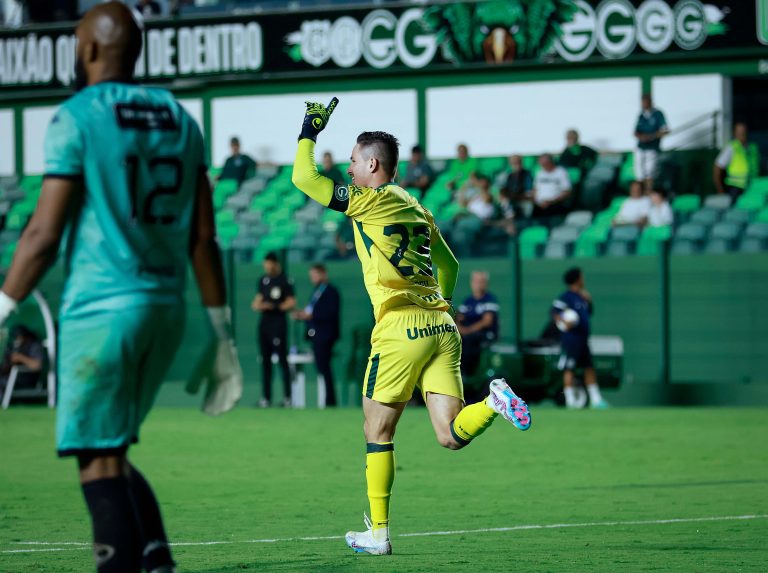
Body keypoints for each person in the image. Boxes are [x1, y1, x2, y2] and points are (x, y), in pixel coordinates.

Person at [0, 4, 242, 572]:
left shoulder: (77, 115)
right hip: (166, 309)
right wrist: (222, 335)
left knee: (97, 460)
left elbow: (42, 235)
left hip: (102, 313)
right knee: (112, 448)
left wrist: (3, 306)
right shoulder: (182, 118)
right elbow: (204, 240)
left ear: (87, 49)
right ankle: (158, 562)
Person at [292, 98, 531, 556]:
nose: (348, 169)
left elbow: (304, 178)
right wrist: (441, 305)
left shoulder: (367, 202)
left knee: (377, 431)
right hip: (442, 326)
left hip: (400, 326)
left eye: (354, 161)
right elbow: (450, 264)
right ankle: (494, 401)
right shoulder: (419, 208)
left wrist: (309, 131)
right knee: (450, 434)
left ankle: (379, 534)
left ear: (372, 164)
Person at [552, 268, 608, 410]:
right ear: (577, 279)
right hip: (572, 339)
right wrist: (564, 322)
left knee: (589, 367)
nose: (583, 279)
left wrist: (589, 301)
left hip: (583, 339)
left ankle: (596, 400)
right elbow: (555, 313)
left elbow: (588, 313)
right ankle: (570, 401)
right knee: (569, 368)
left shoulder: (582, 296)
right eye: (582, 277)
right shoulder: (565, 297)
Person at [292, 264, 341, 407]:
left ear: (323, 274)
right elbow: (311, 310)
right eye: (311, 276)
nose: (313, 278)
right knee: (321, 368)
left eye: (315, 275)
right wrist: (302, 314)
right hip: (316, 335)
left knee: (325, 368)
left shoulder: (331, 291)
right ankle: (328, 400)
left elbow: (329, 313)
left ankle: (330, 401)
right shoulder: (317, 291)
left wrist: (310, 315)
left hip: (325, 335)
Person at [251, 252, 295, 407]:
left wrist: (275, 306)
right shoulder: (263, 280)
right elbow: (256, 303)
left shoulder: (285, 280)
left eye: (269, 264)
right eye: (265, 264)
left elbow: (291, 302)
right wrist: (262, 305)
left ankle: (288, 398)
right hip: (265, 324)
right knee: (265, 361)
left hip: (278, 324)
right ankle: (266, 398)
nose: (267, 267)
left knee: (282, 360)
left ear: (275, 264)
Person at [456, 272, 499, 376]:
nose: (478, 284)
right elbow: (459, 318)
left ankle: (466, 372)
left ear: (486, 283)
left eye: (481, 281)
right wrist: (459, 328)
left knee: (468, 340)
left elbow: (487, 321)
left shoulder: (490, 300)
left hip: (484, 335)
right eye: (475, 281)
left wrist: (467, 331)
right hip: (467, 334)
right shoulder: (467, 301)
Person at [714, 122, 760, 200]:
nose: (741, 134)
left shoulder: (753, 148)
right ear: (734, 134)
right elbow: (717, 168)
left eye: (743, 132)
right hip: (735, 188)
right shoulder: (731, 147)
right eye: (739, 132)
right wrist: (720, 189)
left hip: (752, 188)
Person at [634, 93, 669, 190]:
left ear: (651, 102)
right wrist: (641, 137)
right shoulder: (641, 115)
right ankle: (641, 193)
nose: (644, 104)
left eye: (646, 101)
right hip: (641, 147)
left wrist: (651, 136)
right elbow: (636, 131)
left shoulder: (658, 114)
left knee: (650, 173)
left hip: (652, 148)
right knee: (639, 174)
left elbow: (665, 130)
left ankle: (649, 192)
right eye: (642, 102)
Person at [0, 324, 45, 395]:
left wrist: (20, 358)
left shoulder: (34, 346)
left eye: (20, 337)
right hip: (10, 377)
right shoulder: (13, 346)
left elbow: (37, 365)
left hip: (26, 379)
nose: (18, 340)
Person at [531, 153, 571, 219]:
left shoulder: (561, 172)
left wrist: (551, 201)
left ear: (551, 162)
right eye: (541, 164)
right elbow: (535, 189)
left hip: (555, 205)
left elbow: (567, 191)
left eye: (545, 164)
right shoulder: (540, 173)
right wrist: (537, 201)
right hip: (539, 206)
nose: (543, 166)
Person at [498, 154, 532, 219]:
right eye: (513, 163)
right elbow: (505, 190)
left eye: (518, 162)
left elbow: (528, 193)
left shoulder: (526, 174)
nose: (516, 165)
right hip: (512, 201)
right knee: (504, 202)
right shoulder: (509, 176)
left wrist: (515, 196)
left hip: (523, 201)